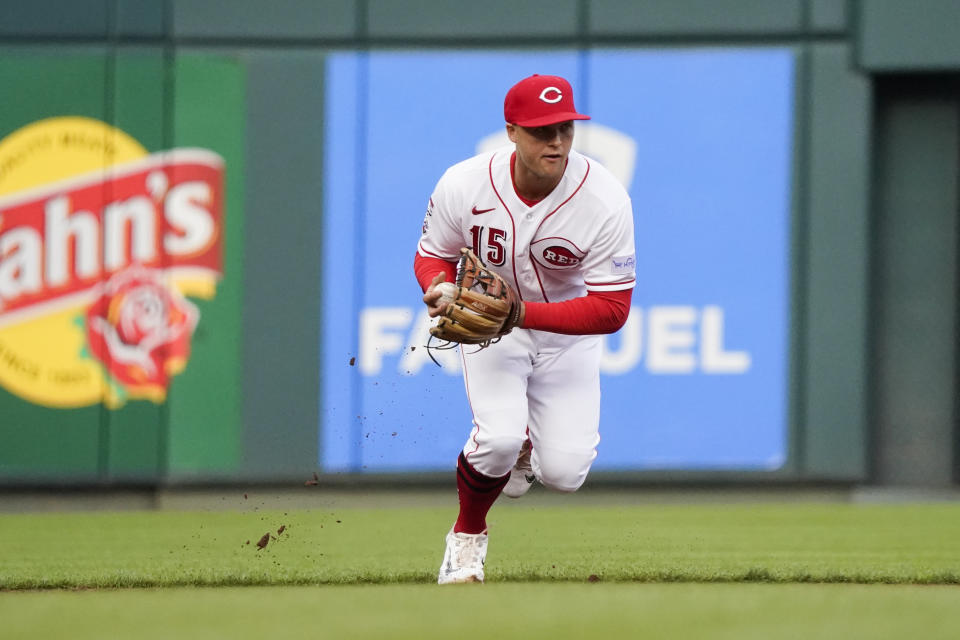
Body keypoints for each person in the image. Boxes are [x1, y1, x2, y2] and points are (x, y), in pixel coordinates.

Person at [414, 74, 636, 584]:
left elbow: (612, 309)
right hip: (491, 329)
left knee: (565, 474)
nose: (556, 141)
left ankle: (530, 447)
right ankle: (467, 540)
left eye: (565, 129)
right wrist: (441, 288)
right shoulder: (464, 183)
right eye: (541, 131)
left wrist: (520, 314)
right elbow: (432, 256)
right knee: (495, 440)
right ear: (511, 131)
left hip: (565, 332)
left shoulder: (603, 198)